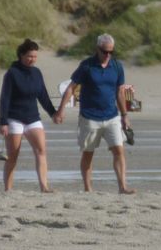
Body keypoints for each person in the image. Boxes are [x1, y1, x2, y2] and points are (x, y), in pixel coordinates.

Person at [54, 33, 135, 194]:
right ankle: (87, 188)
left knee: (119, 150)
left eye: (111, 52)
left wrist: (125, 114)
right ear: (97, 49)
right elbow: (71, 87)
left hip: (112, 116)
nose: (108, 55)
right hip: (89, 117)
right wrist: (61, 110)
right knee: (88, 153)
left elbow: (119, 92)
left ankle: (122, 186)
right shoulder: (87, 66)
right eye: (105, 51)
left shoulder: (117, 66)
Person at [0, 39, 57, 192]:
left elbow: (43, 96)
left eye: (35, 56)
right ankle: (8, 189)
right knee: (13, 156)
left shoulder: (37, 73)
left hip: (33, 118)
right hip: (14, 118)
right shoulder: (12, 73)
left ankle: (44, 186)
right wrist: (3, 122)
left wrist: (53, 113)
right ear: (21, 55)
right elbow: (5, 99)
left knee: (41, 150)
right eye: (29, 56)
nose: (32, 59)